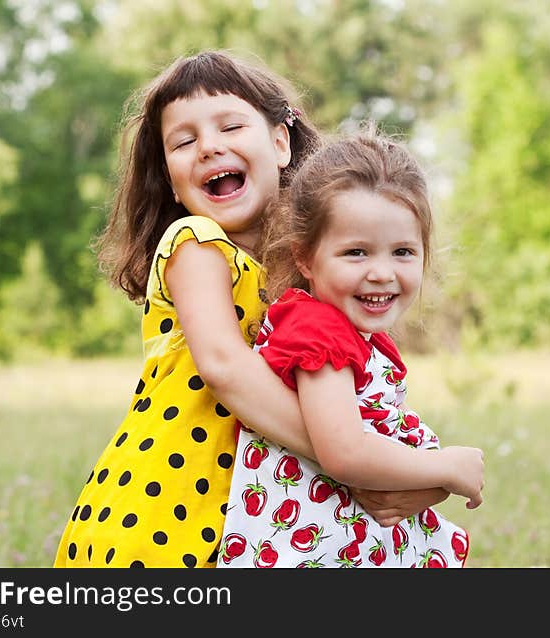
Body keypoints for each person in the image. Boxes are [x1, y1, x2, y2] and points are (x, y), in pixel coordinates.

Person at [54, 51, 450, 568]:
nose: (209, 147)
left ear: (280, 143)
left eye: (230, 126)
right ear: (170, 177)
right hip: (165, 515)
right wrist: (358, 463)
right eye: (184, 140)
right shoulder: (195, 245)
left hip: (247, 516)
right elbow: (226, 369)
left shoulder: (306, 276)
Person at [217, 130, 484, 568]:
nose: (382, 273)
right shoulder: (317, 332)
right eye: (356, 252)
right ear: (305, 258)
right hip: (314, 550)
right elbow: (345, 451)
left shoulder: (350, 333)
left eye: (402, 252)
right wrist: (447, 467)